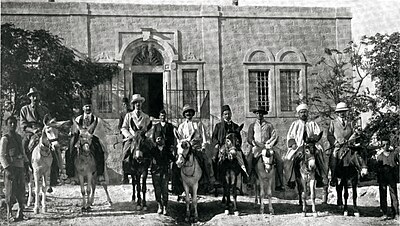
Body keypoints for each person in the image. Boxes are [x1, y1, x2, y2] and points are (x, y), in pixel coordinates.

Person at [285, 103, 327, 189]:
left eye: (305, 112)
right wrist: (292, 143)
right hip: (299, 146)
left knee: (319, 155)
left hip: (311, 145)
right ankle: (291, 179)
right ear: (298, 114)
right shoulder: (295, 124)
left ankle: (320, 177)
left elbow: (317, 133)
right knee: (289, 160)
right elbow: (290, 135)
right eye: (301, 112)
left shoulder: (312, 123)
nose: (303, 114)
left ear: (307, 113)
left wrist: (313, 139)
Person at [176, 104, 214, 192]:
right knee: (176, 163)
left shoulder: (198, 124)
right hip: (186, 148)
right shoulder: (181, 126)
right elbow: (179, 139)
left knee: (207, 161)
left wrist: (203, 146)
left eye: (190, 112)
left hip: (196, 147)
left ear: (192, 114)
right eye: (186, 112)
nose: (188, 114)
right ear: (184, 114)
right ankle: (178, 185)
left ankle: (209, 182)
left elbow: (204, 136)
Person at [247, 106, 284, 190]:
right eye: (257, 113)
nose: (259, 115)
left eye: (261, 113)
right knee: (249, 159)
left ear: (263, 114)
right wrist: (253, 143)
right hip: (256, 147)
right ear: (255, 114)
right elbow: (249, 138)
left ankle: (279, 183)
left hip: (267, 146)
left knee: (279, 161)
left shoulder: (269, 125)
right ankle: (249, 180)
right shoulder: (252, 126)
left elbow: (274, 136)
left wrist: (269, 143)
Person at [0, 116, 29, 222]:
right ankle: (9, 214)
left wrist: (26, 164)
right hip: (10, 168)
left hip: (20, 167)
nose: (13, 125)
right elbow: (2, 155)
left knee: (21, 190)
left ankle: (20, 213)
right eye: (10, 123)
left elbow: (23, 152)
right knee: (10, 191)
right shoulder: (5, 138)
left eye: (14, 123)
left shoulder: (19, 137)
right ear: (7, 125)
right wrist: (7, 168)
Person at [70, 98, 106, 182]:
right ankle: (71, 175)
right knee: (70, 150)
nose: (88, 108)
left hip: (91, 138)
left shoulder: (97, 120)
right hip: (81, 138)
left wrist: (91, 135)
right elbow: (74, 130)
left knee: (100, 151)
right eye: (86, 107)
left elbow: (99, 132)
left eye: (89, 106)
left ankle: (100, 174)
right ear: (83, 108)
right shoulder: (78, 119)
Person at [212, 104, 248, 182]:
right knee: (214, 159)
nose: (227, 115)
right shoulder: (218, 126)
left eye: (229, 114)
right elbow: (214, 137)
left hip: (233, 147)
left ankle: (245, 177)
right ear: (222, 116)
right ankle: (216, 178)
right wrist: (217, 143)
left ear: (231, 114)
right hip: (222, 146)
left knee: (243, 158)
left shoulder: (235, 126)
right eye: (225, 114)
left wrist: (237, 144)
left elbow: (239, 138)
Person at [121, 94, 152, 174]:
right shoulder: (129, 115)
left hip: (142, 138)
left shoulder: (145, 116)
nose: (138, 104)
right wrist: (129, 136)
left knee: (152, 149)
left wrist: (146, 136)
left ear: (141, 104)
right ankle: (126, 171)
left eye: (139, 102)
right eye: (136, 103)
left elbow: (150, 129)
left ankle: (153, 167)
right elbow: (123, 128)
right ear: (133, 104)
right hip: (132, 138)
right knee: (125, 153)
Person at [327, 102, 354, 187]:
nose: (342, 113)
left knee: (357, 156)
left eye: (344, 111)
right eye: (340, 111)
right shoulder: (333, 122)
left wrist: (350, 140)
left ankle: (357, 175)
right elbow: (329, 135)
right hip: (338, 145)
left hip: (349, 144)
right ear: (337, 113)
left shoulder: (350, 122)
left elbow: (354, 133)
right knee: (334, 156)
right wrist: (335, 142)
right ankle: (333, 177)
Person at [152, 110, 178, 193]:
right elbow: (153, 137)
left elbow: (172, 138)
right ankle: (158, 185)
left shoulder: (169, 126)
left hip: (167, 149)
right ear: (159, 117)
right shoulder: (156, 126)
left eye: (164, 116)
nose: (163, 117)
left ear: (165, 116)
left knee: (170, 167)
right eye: (161, 115)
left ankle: (172, 186)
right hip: (159, 148)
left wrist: (171, 147)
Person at [149, 135, 175, 215]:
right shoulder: (153, 150)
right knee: (157, 189)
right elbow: (148, 158)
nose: (159, 140)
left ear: (164, 140)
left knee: (164, 189)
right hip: (155, 172)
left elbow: (173, 159)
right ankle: (159, 205)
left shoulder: (167, 150)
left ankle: (165, 206)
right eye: (158, 139)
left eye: (161, 139)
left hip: (164, 172)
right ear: (156, 140)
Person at [376, 136, 399, 220]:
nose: (385, 146)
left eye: (387, 144)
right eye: (383, 144)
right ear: (381, 146)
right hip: (383, 179)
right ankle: (384, 213)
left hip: (392, 178)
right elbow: (377, 169)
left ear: (389, 145)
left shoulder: (394, 154)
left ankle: (396, 213)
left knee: (394, 196)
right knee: (383, 196)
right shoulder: (379, 156)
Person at [119, 97, 132, 184]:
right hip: (126, 138)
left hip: (133, 136)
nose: (125, 106)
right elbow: (119, 127)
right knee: (125, 156)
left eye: (126, 104)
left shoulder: (131, 113)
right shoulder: (122, 114)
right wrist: (124, 134)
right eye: (123, 104)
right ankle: (125, 176)